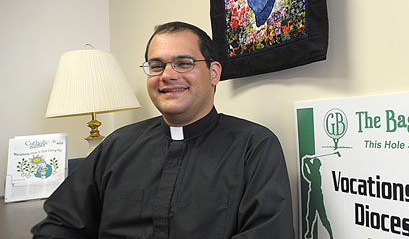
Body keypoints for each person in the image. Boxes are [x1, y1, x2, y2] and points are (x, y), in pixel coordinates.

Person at [32, 21, 294, 238]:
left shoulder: (254, 147)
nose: (167, 75)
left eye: (184, 63)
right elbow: (60, 223)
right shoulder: (118, 145)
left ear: (214, 73)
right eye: (156, 65)